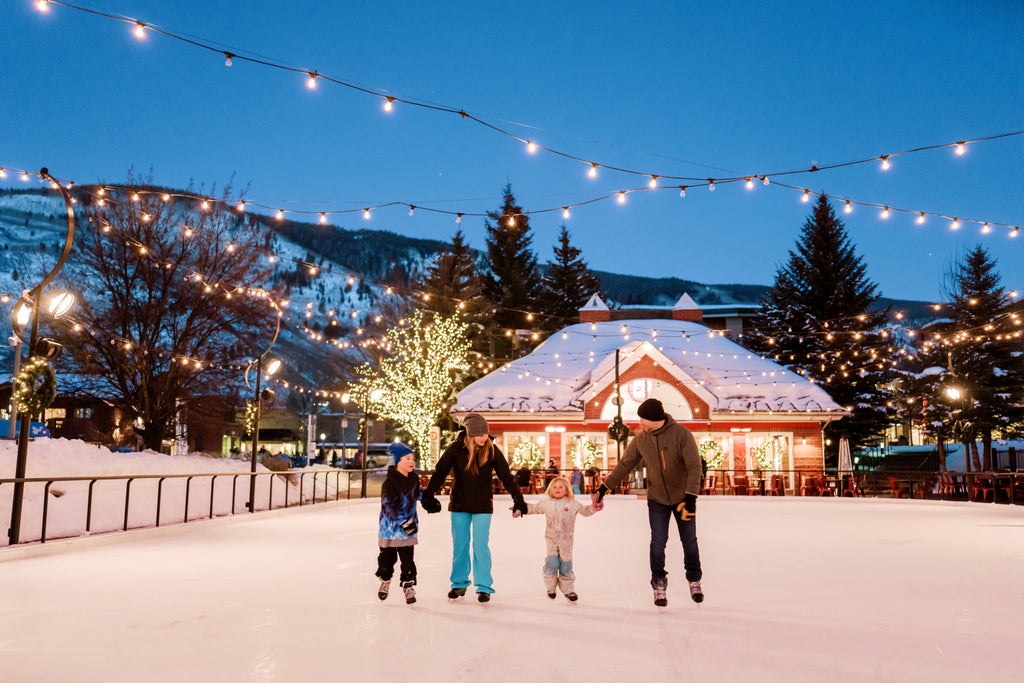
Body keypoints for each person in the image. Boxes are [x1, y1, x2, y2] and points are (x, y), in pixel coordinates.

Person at [594, 397, 704, 607]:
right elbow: (625, 464)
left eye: (644, 419)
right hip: (657, 500)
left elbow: (694, 467)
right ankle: (659, 584)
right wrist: (604, 487)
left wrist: (691, 496)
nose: (641, 422)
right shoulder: (641, 439)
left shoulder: (682, 435)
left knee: (689, 541)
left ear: (656, 418)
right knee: (657, 543)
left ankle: (694, 579)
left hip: (683, 499)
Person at [421, 412, 528, 602]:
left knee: (480, 546)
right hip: (460, 505)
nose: (483, 437)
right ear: (470, 434)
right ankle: (459, 584)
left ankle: (484, 586)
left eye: (485, 433)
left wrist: (518, 500)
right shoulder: (455, 449)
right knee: (460, 546)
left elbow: (506, 477)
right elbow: (439, 473)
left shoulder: (492, 450)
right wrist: (428, 496)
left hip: (482, 506)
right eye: (479, 434)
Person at [524, 475, 602, 602]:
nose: (557, 489)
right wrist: (521, 508)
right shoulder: (546, 502)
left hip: (566, 540)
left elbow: (585, 511)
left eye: (561, 487)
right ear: (550, 489)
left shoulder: (572, 503)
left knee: (566, 565)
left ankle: (568, 590)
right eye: (554, 487)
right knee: (552, 563)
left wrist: (594, 507)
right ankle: (550, 587)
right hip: (551, 539)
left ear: (567, 490)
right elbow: (533, 509)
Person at [375, 442, 422, 605]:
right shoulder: (390, 482)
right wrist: (404, 521)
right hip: (390, 529)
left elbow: (418, 494)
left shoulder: (414, 478)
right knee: (387, 559)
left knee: (408, 560)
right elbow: (388, 505)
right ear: (398, 462)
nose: (412, 462)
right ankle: (386, 580)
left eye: (413, 459)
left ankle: (408, 586)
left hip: (408, 529)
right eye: (407, 458)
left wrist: (429, 500)